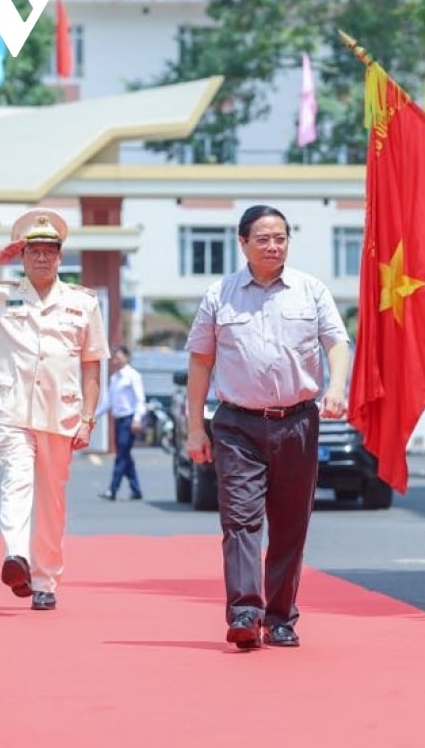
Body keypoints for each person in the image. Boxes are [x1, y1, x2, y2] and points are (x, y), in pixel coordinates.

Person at [183, 204, 349, 651]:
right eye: (263, 238)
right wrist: (195, 428)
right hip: (237, 424)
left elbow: (336, 342)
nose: (273, 245)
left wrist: (336, 388)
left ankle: (279, 618)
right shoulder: (220, 295)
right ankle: (244, 612)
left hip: (297, 421)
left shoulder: (310, 291)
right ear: (243, 243)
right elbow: (200, 362)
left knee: (290, 525)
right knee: (239, 520)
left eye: (280, 238)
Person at [0, 209, 108, 611]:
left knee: (51, 499)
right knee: (17, 480)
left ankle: (45, 579)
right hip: (10, 407)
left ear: (60, 257)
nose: (43, 258)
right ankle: (16, 555)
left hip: (60, 413)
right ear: (22, 255)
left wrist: (88, 418)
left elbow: (91, 364)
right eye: (34, 251)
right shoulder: (1, 293)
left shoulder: (82, 302)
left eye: (50, 251)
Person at [96, 346, 146, 501]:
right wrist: (93, 416)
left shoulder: (133, 376)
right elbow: (108, 401)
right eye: (114, 358)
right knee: (125, 456)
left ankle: (113, 489)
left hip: (129, 420)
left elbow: (140, 400)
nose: (115, 361)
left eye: (118, 357)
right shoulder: (114, 377)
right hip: (118, 421)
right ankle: (136, 489)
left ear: (126, 357)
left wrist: (137, 419)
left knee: (121, 457)